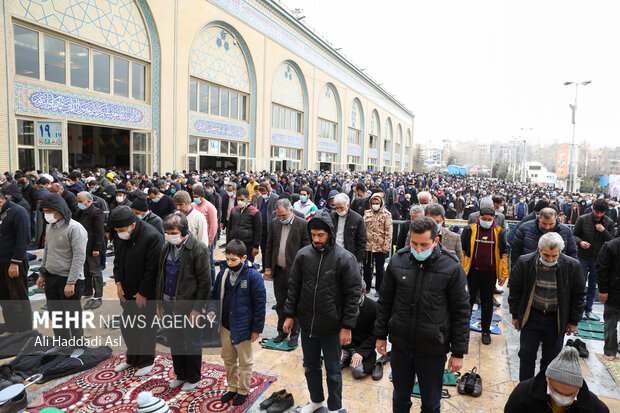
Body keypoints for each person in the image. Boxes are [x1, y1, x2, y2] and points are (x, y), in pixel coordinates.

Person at [375, 217, 470, 413]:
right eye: (414, 244)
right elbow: (385, 302)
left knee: (430, 403)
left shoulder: (451, 267)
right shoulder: (397, 261)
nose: (418, 250)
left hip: (432, 349)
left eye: (424, 244)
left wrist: (458, 352)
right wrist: (379, 335)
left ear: (436, 241)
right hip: (401, 346)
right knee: (400, 398)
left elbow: (461, 311)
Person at [283, 210, 361, 413]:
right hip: (308, 325)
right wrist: (290, 315)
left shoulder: (345, 259)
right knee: (311, 367)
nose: (316, 239)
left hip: (332, 328)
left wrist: (347, 327)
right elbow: (294, 287)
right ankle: (316, 402)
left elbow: (353, 296)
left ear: (330, 234)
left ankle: (335, 408)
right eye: (313, 235)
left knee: (334, 371)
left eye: (321, 235)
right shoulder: (303, 255)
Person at [508, 232, 585, 382]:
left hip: (556, 318)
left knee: (551, 359)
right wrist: (515, 315)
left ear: (560, 252)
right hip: (532, 316)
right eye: (546, 255)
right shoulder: (525, 262)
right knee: (526, 356)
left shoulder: (572, 266)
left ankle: (543, 391)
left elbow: (578, 295)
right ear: (539, 249)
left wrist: (574, 321)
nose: (550, 259)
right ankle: (525, 389)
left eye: (554, 256)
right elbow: (515, 291)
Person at [156, 212, 211, 391]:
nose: (169, 235)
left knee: (191, 341)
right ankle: (180, 374)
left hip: (188, 307)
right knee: (175, 339)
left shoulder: (198, 249)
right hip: (169, 303)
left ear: (183, 231)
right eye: (167, 231)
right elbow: (161, 277)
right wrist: (159, 303)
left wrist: (197, 309)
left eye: (172, 232)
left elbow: (205, 283)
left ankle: (194, 376)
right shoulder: (166, 248)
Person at [208, 239, 265, 405]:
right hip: (226, 325)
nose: (229, 262)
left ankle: (243, 391)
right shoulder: (223, 273)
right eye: (227, 259)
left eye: (233, 260)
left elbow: (259, 304)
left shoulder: (253, 276)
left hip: (243, 327)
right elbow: (214, 295)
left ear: (244, 257)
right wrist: (212, 310)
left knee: (245, 361)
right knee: (228, 359)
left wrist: (256, 329)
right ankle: (232, 388)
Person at [110, 206, 163, 376]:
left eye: (121, 230)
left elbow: (152, 269)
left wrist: (144, 293)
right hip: (126, 290)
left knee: (145, 327)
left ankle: (146, 360)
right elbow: (117, 261)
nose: (119, 233)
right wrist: (118, 284)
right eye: (116, 230)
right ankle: (132, 358)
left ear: (133, 224)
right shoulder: (121, 235)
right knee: (128, 325)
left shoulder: (152, 236)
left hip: (144, 293)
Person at [36, 193, 87, 340]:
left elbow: (79, 257)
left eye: (50, 211)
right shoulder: (50, 227)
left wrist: (71, 282)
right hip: (51, 278)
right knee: (56, 315)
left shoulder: (75, 228)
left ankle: (78, 344)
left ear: (60, 209)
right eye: (45, 211)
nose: (47, 215)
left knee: (72, 316)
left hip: (69, 280)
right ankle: (62, 342)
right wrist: (42, 273)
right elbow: (47, 251)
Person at [504, 346, 609, 413]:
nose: (562, 397)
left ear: (579, 388)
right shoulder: (522, 394)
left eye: (569, 395)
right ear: (547, 379)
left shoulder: (593, 407)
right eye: (557, 391)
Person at [263, 199, 310, 347]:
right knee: (280, 303)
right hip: (278, 271)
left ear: (291, 211)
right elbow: (269, 246)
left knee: (294, 303)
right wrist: (268, 268)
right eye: (279, 216)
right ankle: (281, 332)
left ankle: (294, 334)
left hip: (295, 273)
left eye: (283, 215)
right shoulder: (275, 223)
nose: (281, 219)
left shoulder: (303, 225)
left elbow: (307, 251)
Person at [461, 204, 509, 345]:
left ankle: (486, 331)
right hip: (471, 273)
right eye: (484, 218)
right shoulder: (469, 230)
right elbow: (462, 251)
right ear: (479, 217)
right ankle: (463, 331)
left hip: (489, 274)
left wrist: (504, 273)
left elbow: (503, 253)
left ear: (493, 218)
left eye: (489, 219)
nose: (486, 221)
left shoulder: (499, 232)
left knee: (487, 303)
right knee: (467, 302)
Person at [572, 198, 615, 320]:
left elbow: (612, 240)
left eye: (601, 213)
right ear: (593, 209)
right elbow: (574, 234)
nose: (598, 215)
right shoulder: (583, 219)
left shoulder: (608, 222)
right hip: (582, 256)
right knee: (580, 284)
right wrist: (580, 242)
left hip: (599, 259)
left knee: (592, 286)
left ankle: (589, 310)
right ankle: (578, 310)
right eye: (597, 212)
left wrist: (603, 231)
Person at [0, 192, 32, 333]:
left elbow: (23, 238)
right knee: (4, 297)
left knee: (18, 296)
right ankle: (12, 327)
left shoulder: (18, 212)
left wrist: (15, 262)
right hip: (1, 262)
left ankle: (25, 330)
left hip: (14, 262)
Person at [509, 207, 578, 268]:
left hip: (558, 271)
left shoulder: (566, 231)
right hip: (529, 271)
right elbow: (516, 252)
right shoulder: (525, 228)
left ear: (556, 219)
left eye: (551, 224)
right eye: (544, 223)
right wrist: (517, 269)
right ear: (539, 218)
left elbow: (572, 253)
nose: (547, 227)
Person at [340, 279, 379, 380]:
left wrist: (360, 353)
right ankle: (348, 359)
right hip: (344, 346)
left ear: (364, 292)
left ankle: (352, 359)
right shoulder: (342, 303)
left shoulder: (373, 307)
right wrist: (337, 347)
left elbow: (375, 335)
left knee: (357, 371)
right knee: (331, 365)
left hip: (361, 347)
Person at [75, 192, 105, 310]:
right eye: (78, 201)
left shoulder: (96, 212)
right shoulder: (79, 212)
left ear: (88, 201)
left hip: (92, 246)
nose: (79, 203)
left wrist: (96, 248)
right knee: (85, 270)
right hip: (82, 246)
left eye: (80, 201)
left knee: (95, 271)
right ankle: (87, 291)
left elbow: (99, 232)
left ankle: (98, 295)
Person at [363, 193, 392, 297]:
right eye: (373, 203)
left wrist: (386, 246)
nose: (375, 205)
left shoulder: (386, 214)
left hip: (380, 247)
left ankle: (379, 289)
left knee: (379, 269)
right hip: (368, 246)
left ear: (381, 203)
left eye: (377, 203)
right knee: (367, 268)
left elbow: (389, 232)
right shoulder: (367, 213)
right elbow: (363, 229)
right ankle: (366, 287)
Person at [596, 236, 620, 361]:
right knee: (611, 323)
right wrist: (603, 290)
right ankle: (610, 349)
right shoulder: (611, 246)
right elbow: (602, 269)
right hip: (613, 292)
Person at [330, 193, 367, 270]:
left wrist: (358, 260)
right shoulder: (332, 217)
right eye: (337, 208)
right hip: (333, 254)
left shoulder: (357, 219)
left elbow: (362, 241)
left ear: (348, 205)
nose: (339, 211)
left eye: (341, 208)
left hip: (350, 255)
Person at [227, 189, 261, 263]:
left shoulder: (254, 212)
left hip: (248, 244)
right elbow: (229, 227)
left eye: (242, 199)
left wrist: (256, 246)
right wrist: (228, 243)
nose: (240, 201)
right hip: (234, 243)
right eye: (238, 199)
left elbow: (258, 230)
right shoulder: (234, 210)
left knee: (247, 265)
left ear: (248, 198)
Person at [256, 182, 279, 261]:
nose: (263, 194)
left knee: (269, 248)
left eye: (264, 192)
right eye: (261, 192)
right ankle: (264, 265)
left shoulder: (275, 198)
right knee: (263, 247)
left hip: (270, 226)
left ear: (268, 191)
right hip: (262, 226)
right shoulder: (259, 198)